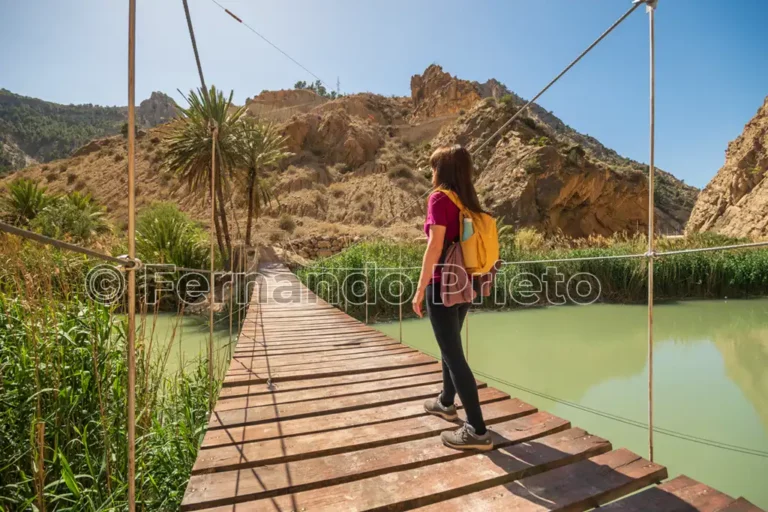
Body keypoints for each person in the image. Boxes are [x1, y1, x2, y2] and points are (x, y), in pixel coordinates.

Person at [412, 144, 492, 451]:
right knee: (451, 346)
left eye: (433, 167)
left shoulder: (439, 198)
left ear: (441, 171)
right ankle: (446, 403)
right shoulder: (469, 202)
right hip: (466, 282)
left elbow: (434, 247)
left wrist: (420, 290)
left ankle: (477, 431)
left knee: (455, 356)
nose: (431, 173)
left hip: (442, 285)